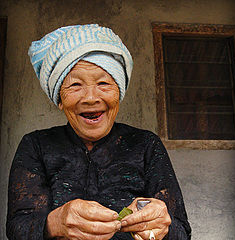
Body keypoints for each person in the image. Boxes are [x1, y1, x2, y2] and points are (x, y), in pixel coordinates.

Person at [6, 24, 191, 240]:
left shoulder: (146, 144)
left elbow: (182, 231)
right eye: (75, 85)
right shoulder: (36, 145)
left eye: (103, 83)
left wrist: (163, 226)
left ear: (118, 92)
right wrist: (54, 223)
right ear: (59, 99)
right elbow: (17, 228)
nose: (91, 97)